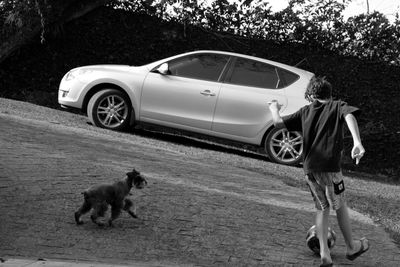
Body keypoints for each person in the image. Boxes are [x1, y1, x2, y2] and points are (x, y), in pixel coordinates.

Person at [268, 76, 369, 267]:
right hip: (330, 168)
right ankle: (351, 247)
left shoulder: (305, 111)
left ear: (311, 95)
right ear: (330, 94)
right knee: (339, 205)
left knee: (322, 208)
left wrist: (274, 108)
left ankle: (325, 253)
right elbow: (349, 115)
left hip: (310, 169)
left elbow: (278, 124)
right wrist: (357, 141)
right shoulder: (337, 105)